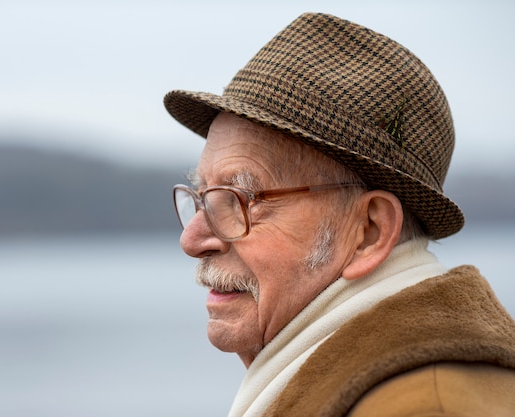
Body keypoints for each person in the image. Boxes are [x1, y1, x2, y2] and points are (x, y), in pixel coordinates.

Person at [163, 12, 515, 417]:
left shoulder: (425, 407)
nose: (192, 240)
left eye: (240, 199)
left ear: (369, 231)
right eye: (203, 196)